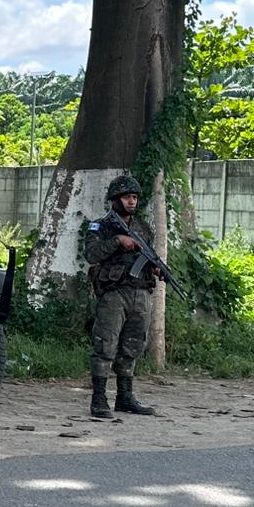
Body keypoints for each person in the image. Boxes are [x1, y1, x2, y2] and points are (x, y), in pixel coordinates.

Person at [84, 173, 160, 418]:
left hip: (141, 293)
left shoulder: (144, 228)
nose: (132, 202)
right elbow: (92, 255)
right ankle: (99, 400)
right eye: (127, 197)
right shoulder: (101, 226)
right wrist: (117, 241)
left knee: (133, 345)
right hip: (114, 294)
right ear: (115, 199)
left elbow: (148, 258)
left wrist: (155, 267)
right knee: (106, 344)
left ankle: (125, 397)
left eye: (135, 197)